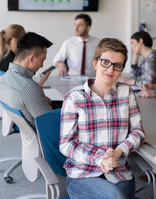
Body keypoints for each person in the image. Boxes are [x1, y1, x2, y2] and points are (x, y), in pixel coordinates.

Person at [59, 38, 145, 199]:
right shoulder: (74, 98)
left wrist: (118, 152)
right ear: (95, 63)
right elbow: (66, 144)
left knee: (118, 196)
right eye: (105, 62)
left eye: (117, 65)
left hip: (119, 172)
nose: (111, 69)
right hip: (83, 174)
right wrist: (100, 159)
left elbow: (138, 132)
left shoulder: (127, 93)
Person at [0, 32, 56, 127]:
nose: (42, 65)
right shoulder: (28, 87)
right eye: (42, 60)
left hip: (29, 133)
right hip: (46, 135)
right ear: (31, 58)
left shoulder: (6, 77)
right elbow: (50, 124)